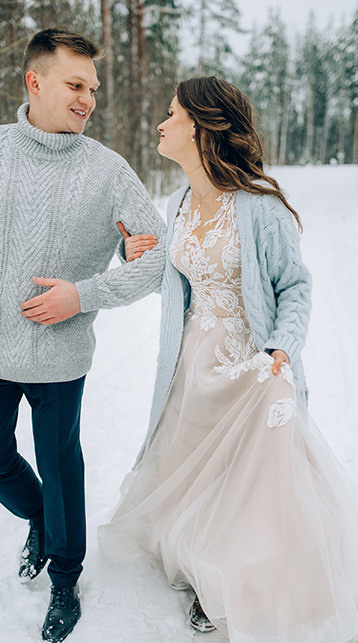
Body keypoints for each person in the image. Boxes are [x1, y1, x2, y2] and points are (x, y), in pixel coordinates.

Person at [100, 76, 358, 641]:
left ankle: (230, 583)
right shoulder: (176, 205)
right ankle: (199, 566)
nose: (160, 124)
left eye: (172, 114)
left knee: (246, 487)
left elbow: (295, 287)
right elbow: (171, 281)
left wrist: (281, 348)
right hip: (191, 366)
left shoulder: (261, 210)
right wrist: (129, 256)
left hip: (251, 367)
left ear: (200, 127)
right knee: (193, 476)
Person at [0, 28, 166, 643]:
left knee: (60, 464)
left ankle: (65, 581)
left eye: (92, 88)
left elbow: (155, 257)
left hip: (60, 354)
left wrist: (84, 292)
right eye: (75, 85)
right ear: (34, 82)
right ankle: (41, 516)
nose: (87, 99)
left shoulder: (109, 171)